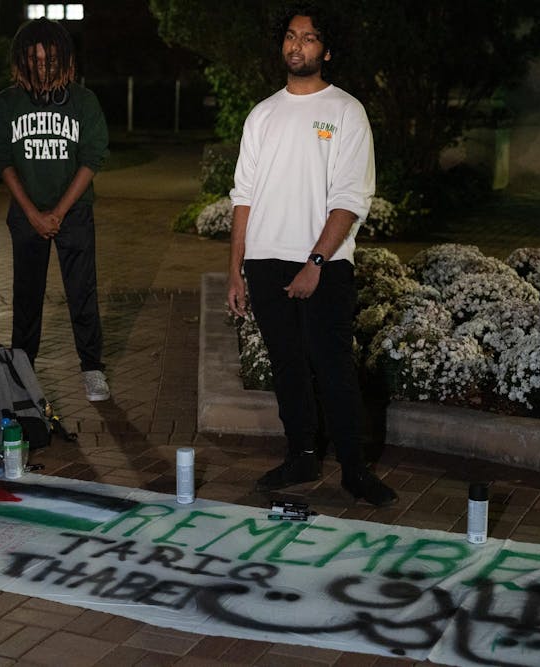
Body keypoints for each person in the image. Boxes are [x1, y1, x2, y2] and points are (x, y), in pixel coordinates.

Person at [227, 4, 398, 506]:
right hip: (263, 261)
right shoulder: (262, 114)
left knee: (332, 364)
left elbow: (351, 198)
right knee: (287, 365)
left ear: (327, 50)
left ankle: (353, 468)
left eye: (309, 38)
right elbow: (244, 196)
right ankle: (301, 454)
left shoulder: (346, 111)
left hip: (323, 264)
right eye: (290, 36)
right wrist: (234, 270)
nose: (296, 45)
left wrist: (316, 263)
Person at [0, 18, 111, 402]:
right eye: (35, 60)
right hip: (26, 215)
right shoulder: (7, 103)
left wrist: (57, 211)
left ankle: (92, 369)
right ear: (21, 60)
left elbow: (92, 158)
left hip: (72, 213)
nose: (44, 67)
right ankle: (22, 372)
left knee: (82, 293)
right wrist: (34, 213)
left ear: (66, 59)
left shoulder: (84, 102)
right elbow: (2, 159)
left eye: (51, 59)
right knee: (26, 296)